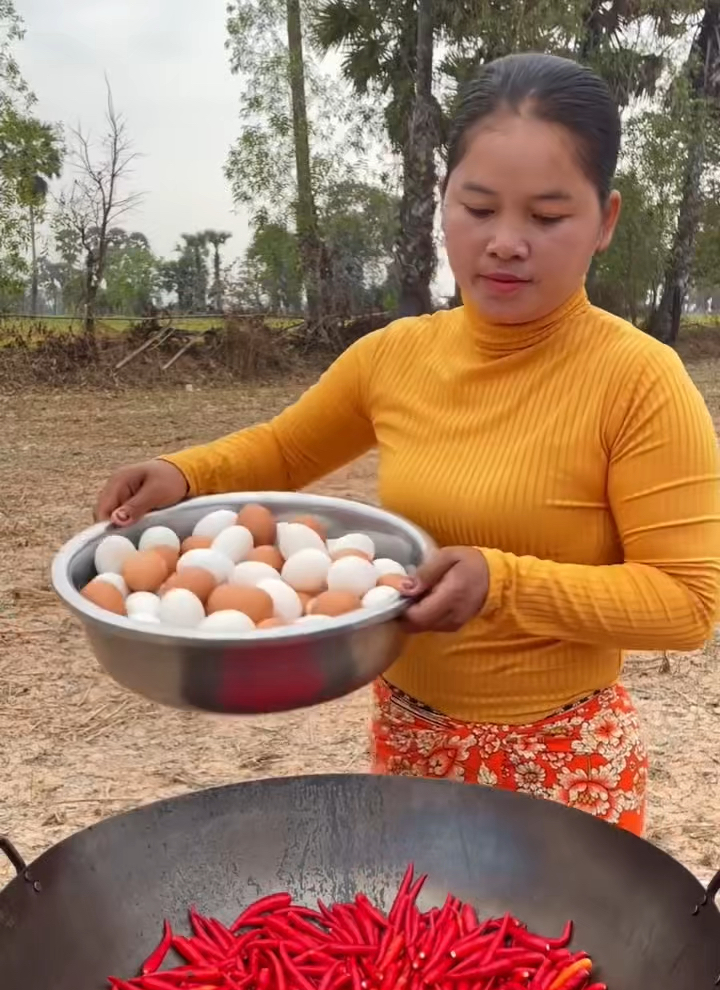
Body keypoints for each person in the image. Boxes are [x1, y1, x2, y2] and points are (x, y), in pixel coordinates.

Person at [94, 51, 720, 838]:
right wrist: (183, 474)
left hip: (565, 763)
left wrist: (502, 583)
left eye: (547, 217)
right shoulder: (395, 356)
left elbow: (687, 603)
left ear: (605, 221)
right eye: (479, 207)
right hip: (412, 740)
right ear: (443, 200)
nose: (505, 242)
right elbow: (285, 451)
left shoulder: (638, 380)